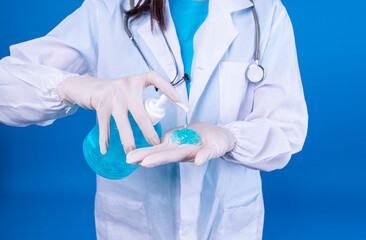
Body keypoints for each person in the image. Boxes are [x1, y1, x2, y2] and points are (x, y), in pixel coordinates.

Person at [0, 0, 308, 239]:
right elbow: (6, 84)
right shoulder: (108, 9)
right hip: (133, 223)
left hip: (228, 222)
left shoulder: (263, 13)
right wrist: (75, 87)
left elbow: (286, 129)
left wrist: (229, 137)